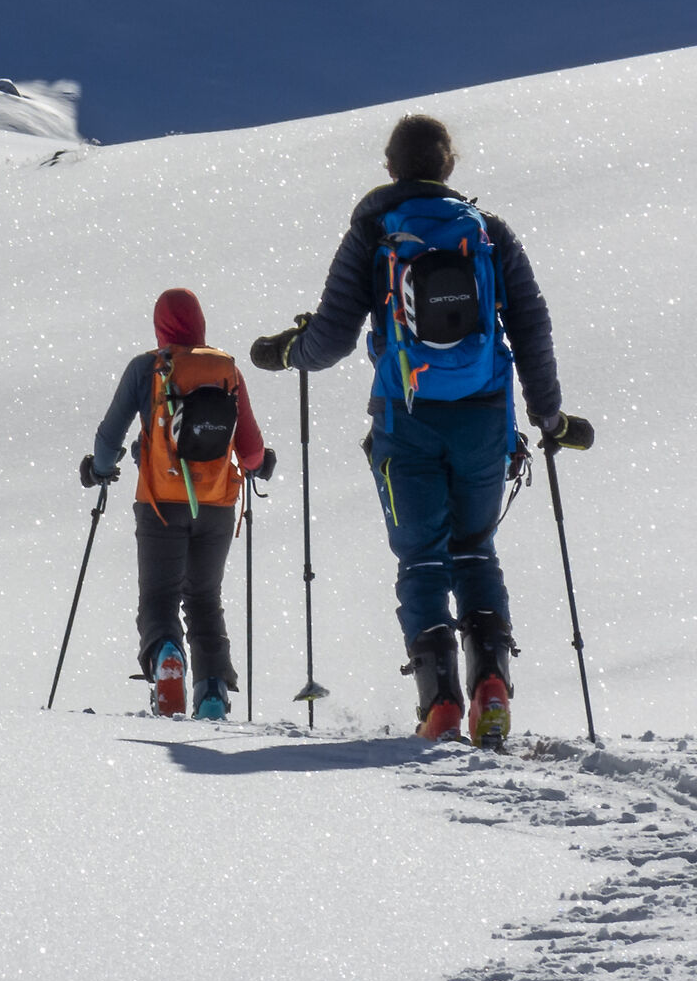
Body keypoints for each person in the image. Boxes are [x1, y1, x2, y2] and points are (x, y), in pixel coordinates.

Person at [248, 113, 588, 746]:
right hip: (486, 419)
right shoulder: (487, 232)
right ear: (448, 165)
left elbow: (331, 339)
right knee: (474, 549)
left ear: (390, 168)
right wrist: (548, 417)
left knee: (421, 558)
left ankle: (440, 703)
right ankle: (491, 678)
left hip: (406, 422)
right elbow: (532, 327)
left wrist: (286, 352)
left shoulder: (373, 233)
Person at [81, 289, 274, 719]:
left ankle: (169, 658)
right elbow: (252, 450)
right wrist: (261, 466)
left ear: (160, 326)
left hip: (160, 503)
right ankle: (212, 692)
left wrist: (99, 468)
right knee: (205, 599)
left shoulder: (146, 368)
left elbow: (110, 435)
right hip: (218, 506)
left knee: (159, 598)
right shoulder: (226, 369)